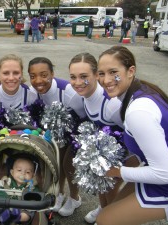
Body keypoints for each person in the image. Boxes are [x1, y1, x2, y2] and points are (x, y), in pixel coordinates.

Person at [96, 45, 168, 225]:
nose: (106, 80)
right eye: (101, 73)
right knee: (112, 209)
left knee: (105, 220)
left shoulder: (138, 112)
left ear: (131, 71)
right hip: (161, 171)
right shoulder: (139, 91)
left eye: (113, 72)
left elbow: (166, 174)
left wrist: (117, 172)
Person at [68, 53, 125, 224]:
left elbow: (134, 134)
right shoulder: (84, 96)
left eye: (84, 77)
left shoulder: (111, 104)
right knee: (101, 181)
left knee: (111, 187)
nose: (77, 82)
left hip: (126, 151)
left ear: (96, 75)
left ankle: (110, 216)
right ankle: (103, 208)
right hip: (104, 153)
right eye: (73, 77)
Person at [28, 57, 86, 217]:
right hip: (56, 132)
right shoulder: (33, 92)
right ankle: (58, 193)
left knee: (69, 165)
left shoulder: (68, 92)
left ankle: (75, 198)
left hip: (77, 130)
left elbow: (84, 117)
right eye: (33, 76)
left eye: (43, 74)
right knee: (56, 163)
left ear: (52, 74)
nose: (38, 80)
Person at [0, 155, 39, 224]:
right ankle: (2, 218)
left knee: (29, 211)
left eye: (28, 172)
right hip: (5, 207)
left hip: (22, 209)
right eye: (19, 170)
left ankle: (17, 217)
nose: (23, 173)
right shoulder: (6, 182)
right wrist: (4, 201)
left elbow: (36, 197)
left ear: (33, 175)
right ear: (12, 172)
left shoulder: (31, 187)